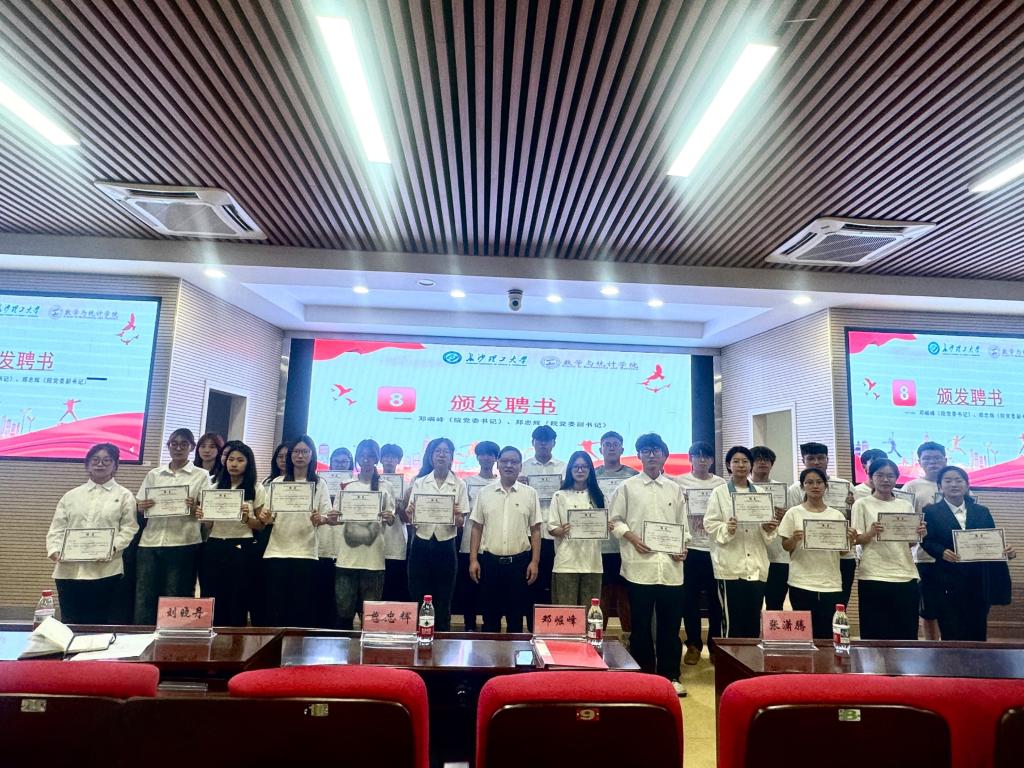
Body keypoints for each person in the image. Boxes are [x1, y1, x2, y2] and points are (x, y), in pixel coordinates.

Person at [610, 433, 690, 697]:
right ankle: (644, 676)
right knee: (640, 627)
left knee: (670, 627)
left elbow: (683, 525)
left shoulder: (674, 488)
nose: (651, 455)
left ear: (664, 455)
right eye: (646, 450)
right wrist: (633, 538)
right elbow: (615, 520)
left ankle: (671, 676)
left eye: (656, 450)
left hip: (671, 569)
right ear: (639, 456)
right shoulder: (627, 487)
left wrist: (683, 547)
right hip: (639, 568)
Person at [45, 443, 139, 624]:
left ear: (115, 465)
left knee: (99, 624)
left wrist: (111, 548)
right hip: (69, 571)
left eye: (107, 460)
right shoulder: (71, 495)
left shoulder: (125, 495)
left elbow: (129, 528)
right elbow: (57, 528)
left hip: (105, 570)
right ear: (87, 464)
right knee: (70, 622)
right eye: (95, 460)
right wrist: (55, 550)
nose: (100, 464)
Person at [921, 466, 1016, 641]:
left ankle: (978, 659)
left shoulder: (982, 511)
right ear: (940, 486)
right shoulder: (931, 512)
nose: (954, 484)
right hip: (947, 578)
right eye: (948, 481)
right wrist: (941, 552)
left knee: (978, 631)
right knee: (951, 630)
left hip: (978, 579)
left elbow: (991, 539)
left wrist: (1006, 551)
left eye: (959, 480)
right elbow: (926, 541)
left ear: (967, 485)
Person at [134, 428, 209, 625]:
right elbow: (140, 505)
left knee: (175, 597)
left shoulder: (201, 475)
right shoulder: (154, 474)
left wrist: (195, 508)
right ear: (168, 446)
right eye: (173, 444)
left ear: (191, 447)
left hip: (184, 542)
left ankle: (172, 639)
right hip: (150, 543)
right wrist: (141, 506)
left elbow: (207, 511)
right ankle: (141, 638)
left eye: (184, 444)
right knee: (144, 596)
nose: (178, 448)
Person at [705, 446, 778, 640]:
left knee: (752, 621)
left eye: (745, 461)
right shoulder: (719, 493)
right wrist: (727, 528)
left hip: (756, 565)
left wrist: (768, 528)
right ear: (729, 465)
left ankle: (750, 658)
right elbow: (710, 524)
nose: (741, 465)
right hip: (730, 566)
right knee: (731, 623)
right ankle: (729, 659)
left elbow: (769, 531)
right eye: (736, 461)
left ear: (751, 465)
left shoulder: (761, 493)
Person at [258, 435, 331, 627]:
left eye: (304, 451)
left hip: (306, 552)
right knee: (276, 607)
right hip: (277, 551)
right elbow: (269, 516)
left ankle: (298, 645)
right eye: (296, 452)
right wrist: (265, 517)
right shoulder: (278, 482)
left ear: (312, 455)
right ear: (290, 455)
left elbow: (326, 515)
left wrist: (320, 519)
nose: (300, 456)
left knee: (301, 607)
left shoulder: (319, 483)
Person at [469, 446, 541, 632]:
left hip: (519, 565)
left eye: (514, 462)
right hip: (490, 563)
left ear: (520, 466)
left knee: (515, 621)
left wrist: (534, 562)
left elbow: (535, 530)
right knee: (490, 620)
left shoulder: (530, 493)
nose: (509, 465)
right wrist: (473, 559)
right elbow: (477, 527)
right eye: (504, 461)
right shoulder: (485, 493)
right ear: (498, 464)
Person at [852, 458, 926, 640]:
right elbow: (856, 540)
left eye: (890, 476)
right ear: (871, 477)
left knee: (906, 630)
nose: (885, 480)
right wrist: (871, 533)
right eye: (880, 475)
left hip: (905, 573)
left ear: (896, 479)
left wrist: (918, 534)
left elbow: (909, 543)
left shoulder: (905, 505)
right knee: (874, 630)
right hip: (873, 574)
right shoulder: (862, 504)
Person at [196, 441, 265, 626]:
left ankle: (236, 640)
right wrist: (203, 516)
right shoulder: (214, 488)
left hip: (242, 545)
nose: (234, 464)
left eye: (240, 460)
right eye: (231, 459)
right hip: (215, 544)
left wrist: (246, 518)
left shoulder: (256, 489)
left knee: (238, 598)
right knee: (213, 596)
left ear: (248, 463)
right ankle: (214, 639)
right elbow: (209, 525)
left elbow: (260, 526)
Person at [329, 439, 396, 630]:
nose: (366, 460)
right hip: (347, 559)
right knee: (343, 615)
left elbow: (391, 519)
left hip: (373, 560)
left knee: (371, 619)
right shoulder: (346, 485)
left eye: (371, 456)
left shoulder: (386, 486)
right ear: (357, 458)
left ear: (377, 459)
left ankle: (367, 649)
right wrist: (332, 517)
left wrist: (389, 517)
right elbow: (337, 519)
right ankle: (345, 648)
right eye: (362, 456)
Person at [778, 468, 852, 638]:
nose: (815, 486)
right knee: (805, 633)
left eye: (819, 482)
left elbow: (842, 552)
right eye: (809, 482)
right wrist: (794, 539)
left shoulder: (837, 515)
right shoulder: (793, 513)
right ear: (802, 487)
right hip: (801, 582)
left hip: (831, 583)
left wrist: (850, 540)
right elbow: (786, 546)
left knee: (828, 633)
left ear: (826, 486)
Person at [406, 437, 469, 631]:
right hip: (421, 544)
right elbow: (411, 518)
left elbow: (461, 522)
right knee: (418, 593)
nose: (442, 455)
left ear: (451, 457)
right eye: (437, 451)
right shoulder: (420, 482)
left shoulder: (459, 484)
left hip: (446, 545)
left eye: (446, 451)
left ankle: (442, 636)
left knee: (444, 596)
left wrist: (457, 516)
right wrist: (410, 513)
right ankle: (420, 635)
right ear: (431, 456)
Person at [673, 440, 726, 664]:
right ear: (690, 459)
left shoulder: (721, 484)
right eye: (698, 456)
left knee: (716, 601)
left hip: (715, 548)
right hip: (690, 547)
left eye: (706, 456)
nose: (702, 460)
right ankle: (693, 644)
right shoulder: (679, 482)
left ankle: (714, 646)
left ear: (712, 460)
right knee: (690, 599)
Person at [787, 442, 856, 608]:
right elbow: (792, 521)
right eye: (811, 458)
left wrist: (850, 507)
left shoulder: (845, 486)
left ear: (827, 459)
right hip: (808, 558)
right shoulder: (795, 489)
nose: (816, 462)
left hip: (842, 555)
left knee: (838, 608)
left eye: (821, 458)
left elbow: (852, 521)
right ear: (803, 461)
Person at [903, 441, 948, 641]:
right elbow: (902, 518)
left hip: (953, 557)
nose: (933, 462)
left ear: (945, 459)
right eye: (927, 458)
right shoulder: (911, 487)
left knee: (951, 606)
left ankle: (951, 647)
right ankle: (932, 647)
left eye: (937, 458)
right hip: (924, 557)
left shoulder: (954, 482)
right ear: (919, 462)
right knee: (928, 608)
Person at [521, 425, 566, 624]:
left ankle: (550, 626)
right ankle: (533, 627)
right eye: (539, 440)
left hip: (556, 533)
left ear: (554, 443)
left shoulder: (564, 467)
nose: (543, 444)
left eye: (547, 440)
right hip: (530, 532)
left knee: (553, 582)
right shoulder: (523, 467)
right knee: (531, 581)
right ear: (533, 443)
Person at [549, 451, 606, 606]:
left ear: (590, 470)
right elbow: (552, 527)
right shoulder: (559, 495)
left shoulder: (599, 496)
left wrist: (606, 526)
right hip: (566, 562)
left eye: (584, 467)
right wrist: (561, 530)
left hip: (593, 563)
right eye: (576, 467)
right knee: (566, 611)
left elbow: (605, 525)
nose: (580, 470)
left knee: (590, 612)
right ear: (570, 469)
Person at [595, 431, 638, 635]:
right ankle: (597, 639)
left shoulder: (633, 476)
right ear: (600, 449)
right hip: (600, 546)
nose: (611, 447)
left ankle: (629, 638)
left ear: (622, 449)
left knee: (625, 595)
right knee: (601, 596)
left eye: (615, 444)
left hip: (625, 544)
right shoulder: (592, 475)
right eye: (607, 444)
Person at [458, 441, 499, 630]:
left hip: (493, 544)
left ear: (496, 458)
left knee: (491, 590)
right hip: (469, 543)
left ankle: (489, 628)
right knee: (469, 589)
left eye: (490, 454)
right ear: (477, 457)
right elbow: (462, 512)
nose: (486, 458)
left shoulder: (501, 484)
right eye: (482, 454)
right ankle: (469, 626)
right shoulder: (467, 483)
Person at [251, 441, 290, 626]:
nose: (283, 460)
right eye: (279, 457)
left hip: (290, 535)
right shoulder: (267, 482)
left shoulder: (307, 482)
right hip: (266, 534)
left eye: (286, 456)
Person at [751, 446, 790, 612]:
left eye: (766, 460)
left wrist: (784, 516)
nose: (763, 463)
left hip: (779, 557)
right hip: (752, 556)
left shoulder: (783, 489)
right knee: (751, 608)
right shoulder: (744, 489)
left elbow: (793, 519)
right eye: (758, 459)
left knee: (775, 607)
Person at [379, 443, 410, 602]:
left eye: (393, 457)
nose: (389, 460)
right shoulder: (374, 482)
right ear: (381, 459)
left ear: (398, 460)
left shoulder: (407, 485)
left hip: (397, 539)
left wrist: (399, 507)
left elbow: (407, 519)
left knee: (395, 583)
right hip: (377, 539)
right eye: (386, 456)